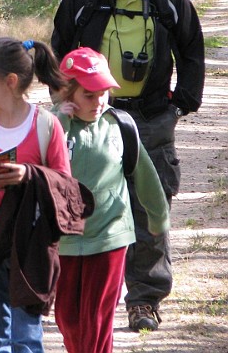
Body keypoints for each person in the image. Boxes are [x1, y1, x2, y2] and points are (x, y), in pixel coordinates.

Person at [51, 0, 205, 331]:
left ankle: (144, 300)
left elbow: (192, 50)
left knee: (151, 207)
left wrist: (181, 104)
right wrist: (65, 101)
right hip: (95, 118)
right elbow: (59, 49)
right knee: (85, 202)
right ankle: (82, 295)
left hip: (152, 116)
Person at [0, 37, 70, 353]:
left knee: (26, 340)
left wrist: (28, 175)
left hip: (29, 247)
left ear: (10, 81)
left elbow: (66, 189)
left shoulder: (46, 126)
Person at [52, 47, 169, 353]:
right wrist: (59, 120)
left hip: (110, 235)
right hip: (65, 239)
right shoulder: (51, 126)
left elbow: (145, 176)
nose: (99, 102)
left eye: (103, 93)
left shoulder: (119, 126)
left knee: (96, 318)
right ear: (67, 93)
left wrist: (158, 218)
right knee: (67, 318)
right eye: (89, 95)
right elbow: (39, 165)